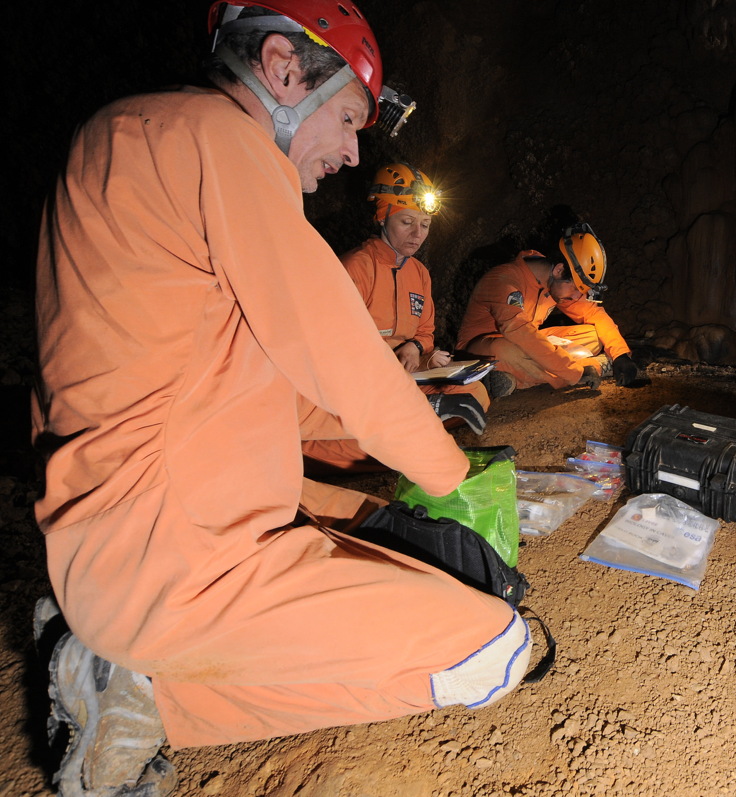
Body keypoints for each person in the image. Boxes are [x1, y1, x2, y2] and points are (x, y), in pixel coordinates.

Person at [31, 3, 531, 794]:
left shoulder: (132, 138)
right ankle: (143, 688)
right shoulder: (219, 141)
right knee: (493, 648)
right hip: (175, 558)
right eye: (346, 118)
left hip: (128, 528)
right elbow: (340, 361)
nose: (351, 149)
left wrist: (420, 414)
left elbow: (272, 390)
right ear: (282, 67)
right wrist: (449, 469)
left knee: (399, 539)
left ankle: (121, 660)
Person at [301, 162, 508, 472]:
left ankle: (407, 437)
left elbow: (425, 332)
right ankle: (395, 445)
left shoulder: (419, 273)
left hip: (404, 380)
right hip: (358, 385)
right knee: (355, 432)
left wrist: (417, 348)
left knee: (474, 392)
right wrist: (391, 358)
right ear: (383, 217)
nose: (417, 234)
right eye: (407, 222)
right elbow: (334, 346)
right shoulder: (356, 266)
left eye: (425, 224)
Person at [455, 223, 643, 390]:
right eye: (577, 288)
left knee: (593, 336)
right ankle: (591, 367)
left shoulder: (555, 283)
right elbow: (520, 332)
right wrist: (575, 373)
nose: (578, 296)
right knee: (503, 350)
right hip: (480, 351)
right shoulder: (504, 280)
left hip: (526, 344)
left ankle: (512, 380)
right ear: (559, 270)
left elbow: (593, 312)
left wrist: (620, 354)